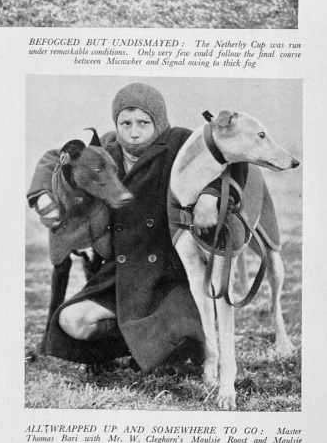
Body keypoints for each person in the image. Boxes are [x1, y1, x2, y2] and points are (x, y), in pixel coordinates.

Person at [28, 82, 204, 373]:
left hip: (167, 273)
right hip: (120, 274)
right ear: (116, 124)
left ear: (158, 121)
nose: (133, 132)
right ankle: (136, 345)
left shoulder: (179, 144)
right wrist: (41, 193)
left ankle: (166, 343)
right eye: (126, 123)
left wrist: (209, 198)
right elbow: (54, 157)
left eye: (144, 123)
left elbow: (220, 160)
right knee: (72, 321)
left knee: (181, 330)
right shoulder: (109, 147)